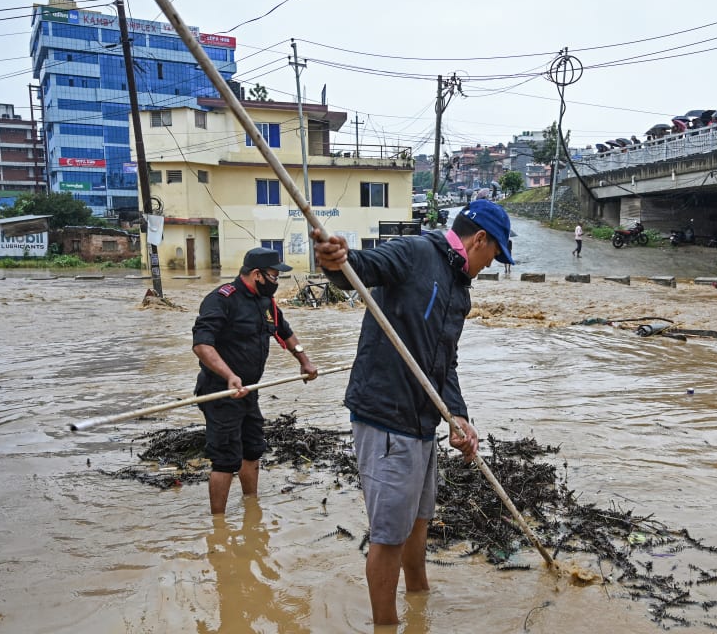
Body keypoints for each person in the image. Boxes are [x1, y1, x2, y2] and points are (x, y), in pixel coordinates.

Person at [312, 199, 514, 626]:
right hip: (387, 416)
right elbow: (358, 271)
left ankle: (418, 599)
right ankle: (386, 625)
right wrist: (335, 261)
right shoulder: (414, 252)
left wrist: (458, 416)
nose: (492, 264)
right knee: (388, 536)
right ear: (480, 239)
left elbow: (446, 363)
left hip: (423, 422)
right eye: (495, 254)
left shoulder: (459, 290)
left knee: (419, 522)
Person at [192, 247, 318, 515]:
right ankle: (219, 524)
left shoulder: (266, 304)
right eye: (274, 275)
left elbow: (287, 334)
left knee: (252, 450)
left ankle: (252, 507)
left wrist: (304, 361)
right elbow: (202, 345)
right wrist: (229, 376)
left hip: (250, 391)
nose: (277, 281)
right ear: (257, 274)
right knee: (225, 459)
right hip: (221, 393)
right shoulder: (222, 300)